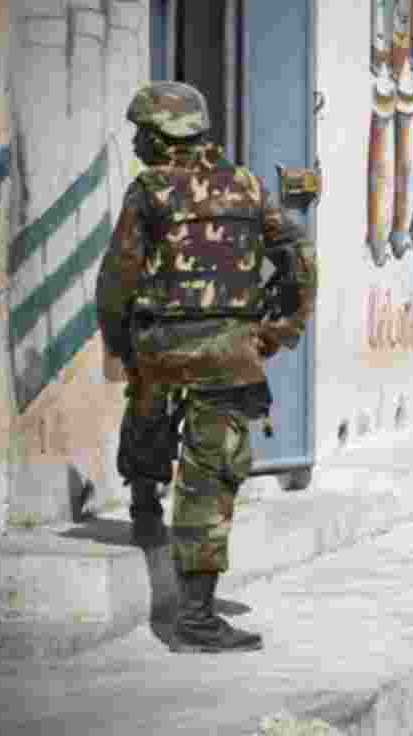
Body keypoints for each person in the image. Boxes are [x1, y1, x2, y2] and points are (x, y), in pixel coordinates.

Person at [96, 81, 317, 653]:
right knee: (208, 477)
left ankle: (144, 501)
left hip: (163, 346)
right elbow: (298, 256)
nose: (136, 143)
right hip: (226, 353)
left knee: (147, 409)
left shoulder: (148, 190)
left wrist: (121, 342)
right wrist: (278, 331)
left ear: (161, 135)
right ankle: (195, 618)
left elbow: (118, 275)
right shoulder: (245, 184)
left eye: (140, 132)